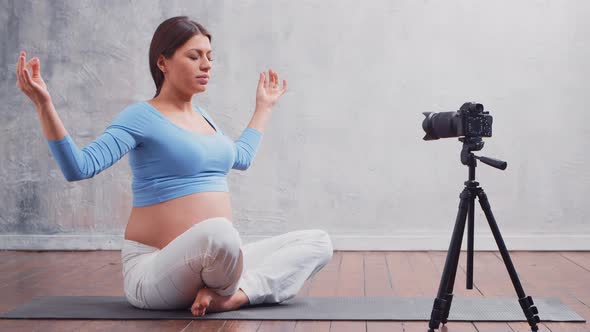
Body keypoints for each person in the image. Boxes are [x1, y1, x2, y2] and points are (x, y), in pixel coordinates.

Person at [15, 16, 333, 316]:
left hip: (217, 260)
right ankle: (231, 289)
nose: (206, 64)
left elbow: (242, 157)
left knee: (318, 242)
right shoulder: (140, 116)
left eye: (209, 56)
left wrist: (263, 107)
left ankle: (235, 296)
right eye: (194, 56)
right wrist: (44, 105)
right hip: (154, 271)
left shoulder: (205, 118)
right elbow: (80, 167)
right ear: (163, 62)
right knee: (221, 234)